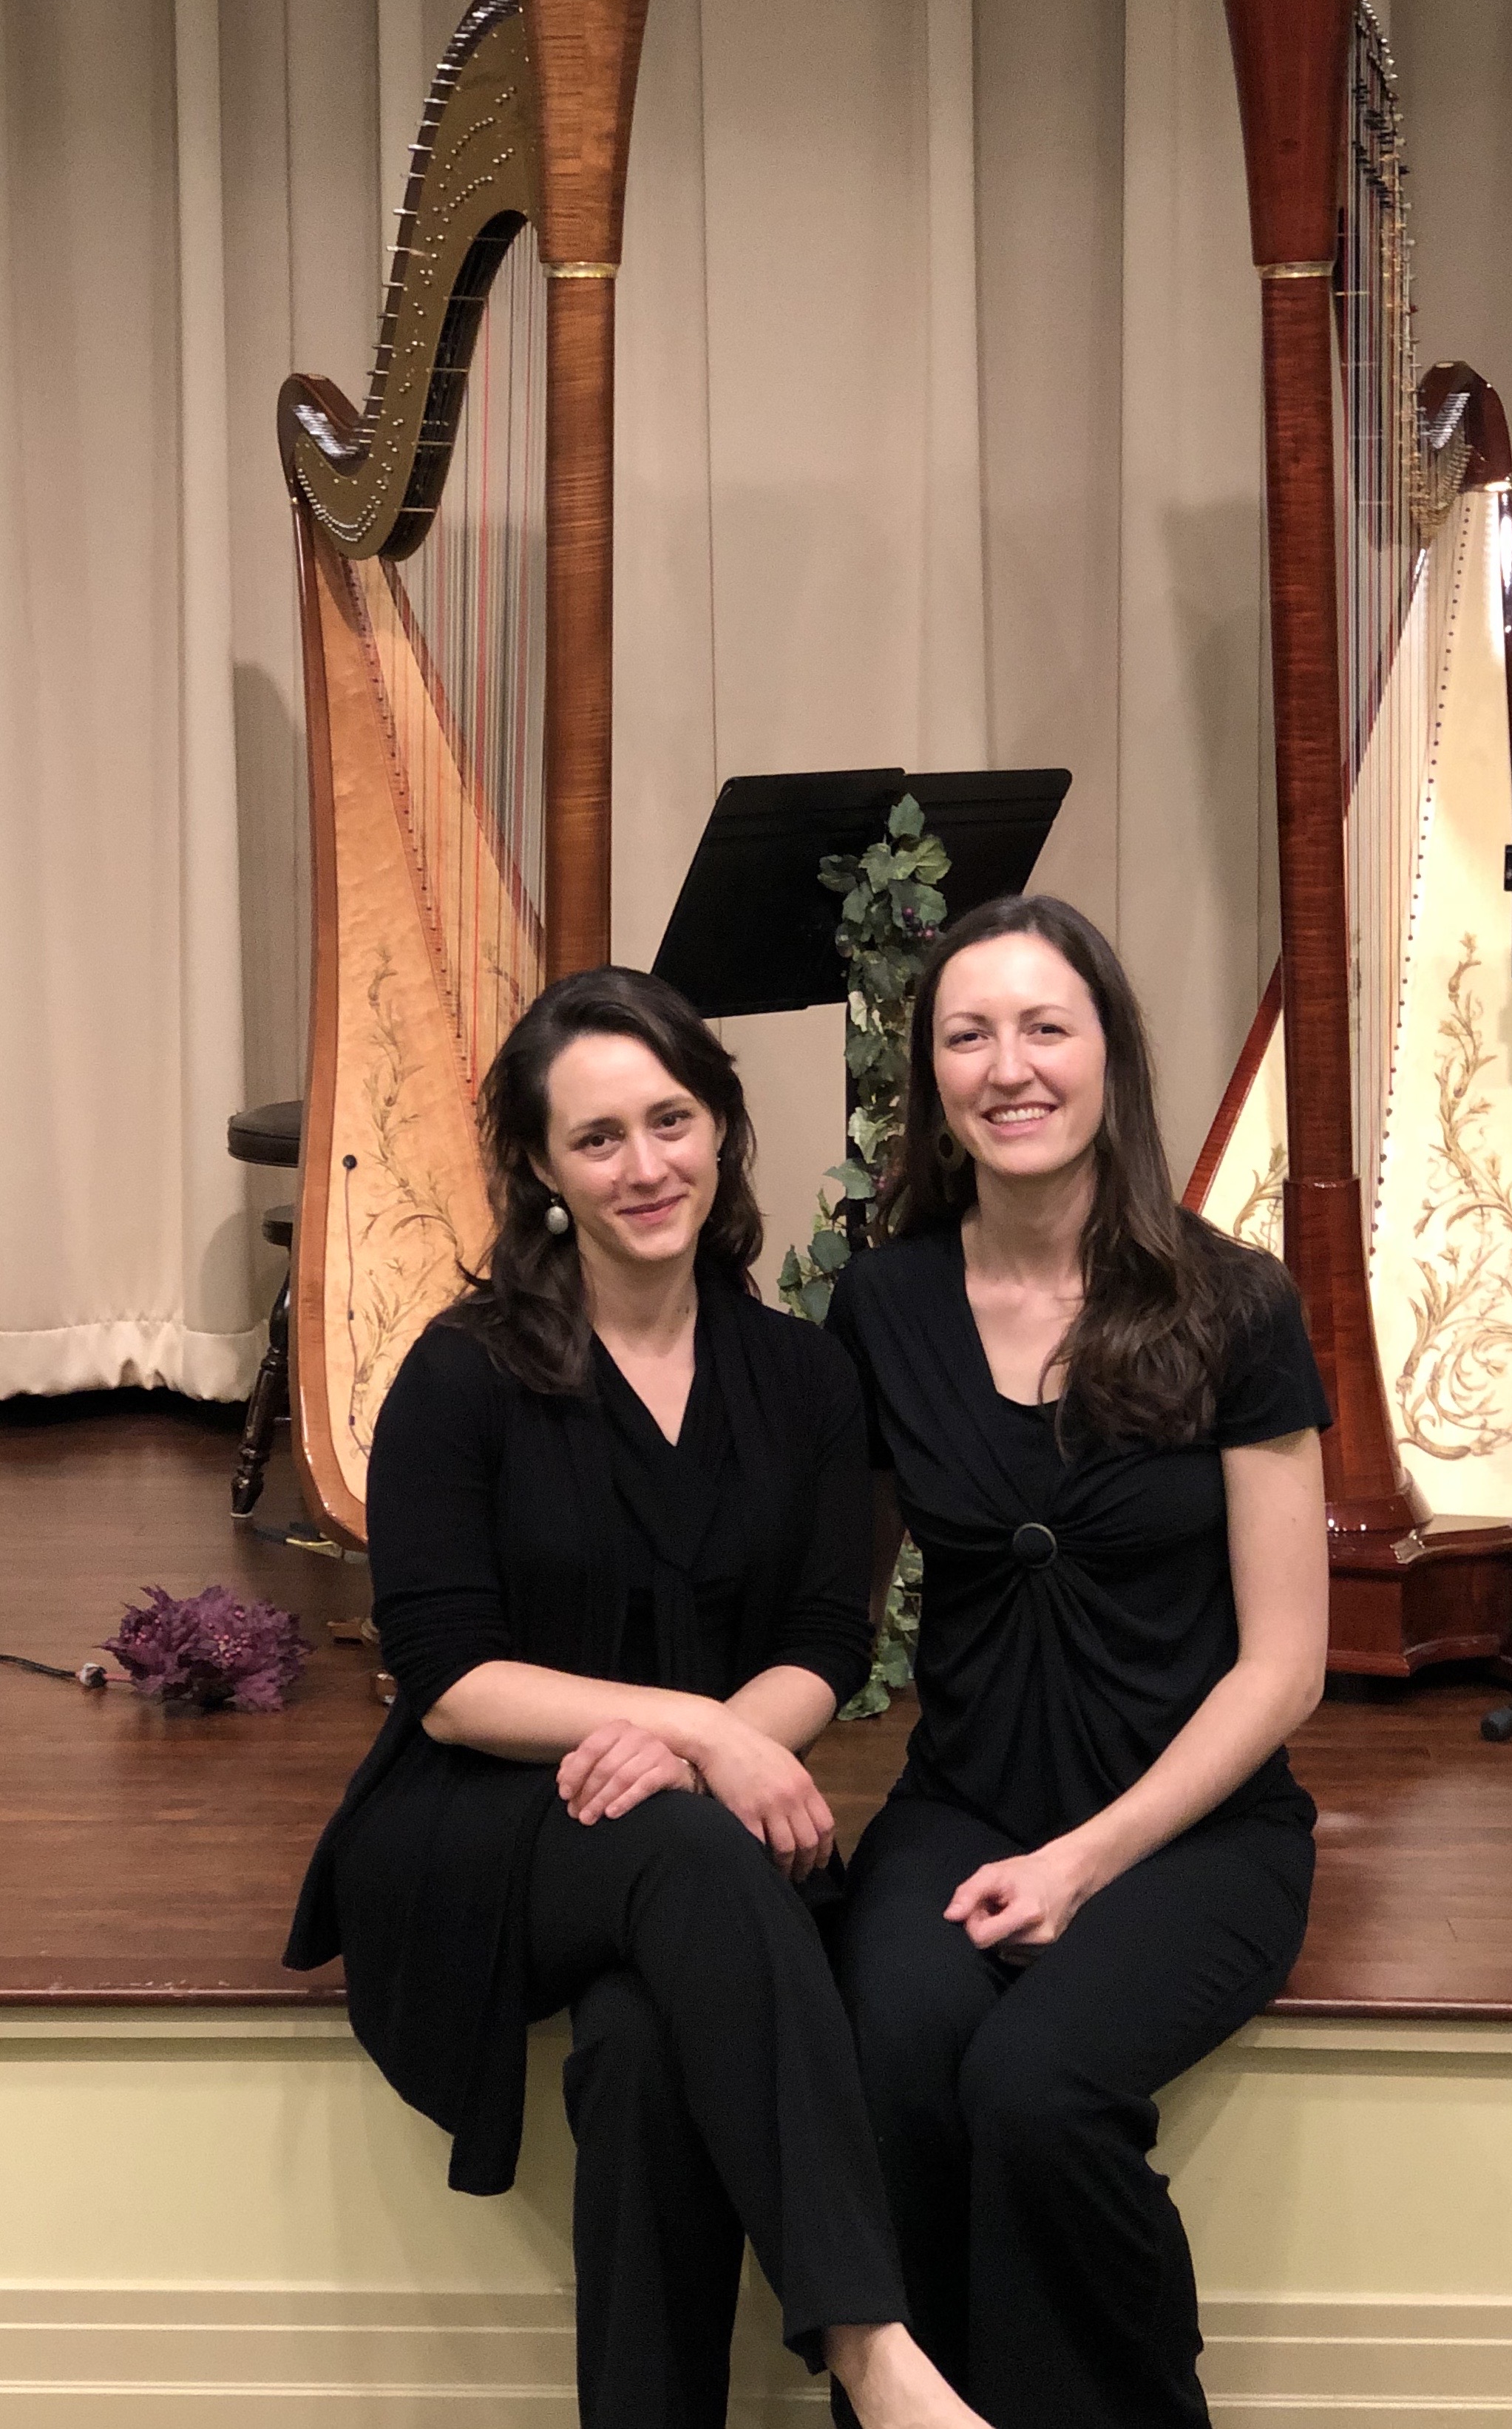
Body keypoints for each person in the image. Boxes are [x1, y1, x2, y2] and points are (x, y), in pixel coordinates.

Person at [285, 967, 991, 2429]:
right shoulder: (460, 1377)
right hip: (483, 1836)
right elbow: (451, 1681)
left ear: (720, 1127)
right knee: (689, 1850)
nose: (644, 1164)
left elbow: (821, 1634)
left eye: (670, 1119)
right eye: (595, 1137)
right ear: (539, 1170)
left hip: (695, 1848)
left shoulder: (798, 1377)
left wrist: (710, 1748)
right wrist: (706, 1735)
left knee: (645, 2047)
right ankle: (873, 2348)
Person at [824, 895, 1330, 2429]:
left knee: (1034, 2093)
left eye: (1046, 1025)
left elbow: (1285, 1664)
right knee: (899, 2049)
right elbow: (824, 1603)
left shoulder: (1230, 1301)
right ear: (930, 1079)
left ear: (1109, 1055)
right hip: (963, 1800)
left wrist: (1084, 1864)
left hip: (1191, 1830)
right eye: (967, 1034)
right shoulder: (882, 1302)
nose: (1009, 1065)